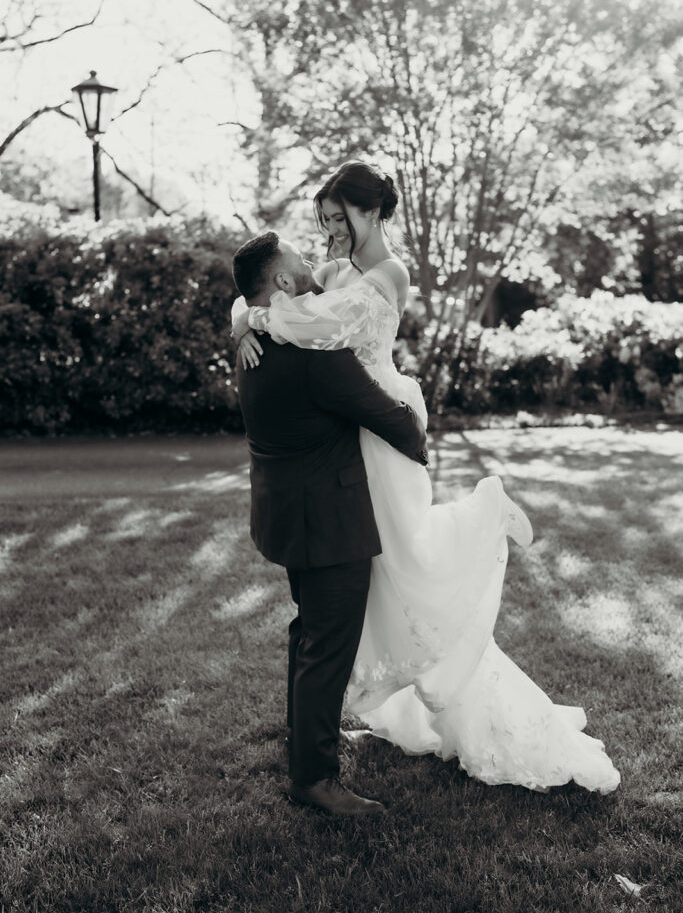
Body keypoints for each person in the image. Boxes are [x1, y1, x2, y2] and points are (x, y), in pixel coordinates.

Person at [231, 161, 620, 794]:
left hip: (379, 428)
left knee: (410, 565)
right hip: (341, 433)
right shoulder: (326, 271)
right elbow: (264, 290)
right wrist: (242, 318)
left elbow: (320, 325)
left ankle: (486, 514)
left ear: (371, 213)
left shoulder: (388, 274)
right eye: (322, 221)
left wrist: (257, 320)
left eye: (338, 218)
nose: (328, 232)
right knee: (368, 592)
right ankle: (337, 729)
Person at [231, 231, 429, 815]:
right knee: (326, 646)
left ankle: (308, 741)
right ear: (286, 283)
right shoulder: (316, 356)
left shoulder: (254, 337)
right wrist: (415, 428)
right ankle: (314, 780)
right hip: (328, 520)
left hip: (287, 513)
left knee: (308, 634)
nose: (312, 260)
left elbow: (244, 307)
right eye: (301, 258)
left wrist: (242, 320)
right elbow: (388, 417)